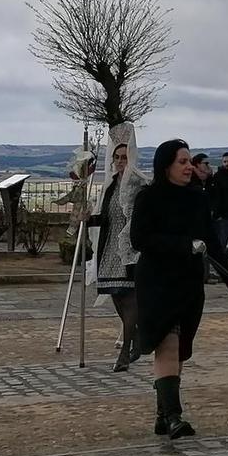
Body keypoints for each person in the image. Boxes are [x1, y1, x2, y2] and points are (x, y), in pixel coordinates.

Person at [132, 139, 228, 439]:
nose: (189, 167)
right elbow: (140, 240)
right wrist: (183, 245)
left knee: (178, 351)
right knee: (166, 344)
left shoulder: (197, 198)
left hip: (189, 283)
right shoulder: (149, 197)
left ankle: (162, 414)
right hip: (157, 281)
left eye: (190, 161)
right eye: (182, 161)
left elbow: (211, 240)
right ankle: (174, 416)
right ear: (165, 165)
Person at [88, 130, 147, 371]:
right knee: (116, 297)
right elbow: (105, 217)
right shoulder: (111, 186)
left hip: (130, 249)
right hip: (110, 248)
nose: (121, 162)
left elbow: (141, 217)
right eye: (117, 158)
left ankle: (125, 351)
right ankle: (135, 337)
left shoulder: (138, 184)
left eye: (124, 157)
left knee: (130, 299)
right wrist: (88, 219)